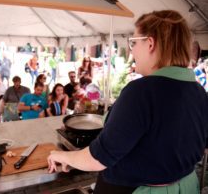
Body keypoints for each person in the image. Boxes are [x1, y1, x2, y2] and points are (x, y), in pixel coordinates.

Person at [47, 10, 208, 194]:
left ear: (150, 43)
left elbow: (99, 158)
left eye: (133, 42)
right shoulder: (198, 92)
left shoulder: (141, 92)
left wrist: (64, 156)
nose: (131, 50)